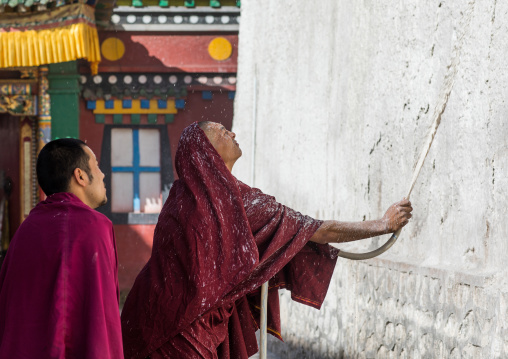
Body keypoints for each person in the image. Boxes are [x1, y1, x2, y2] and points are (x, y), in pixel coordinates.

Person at [121, 122, 412, 359]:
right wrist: (382, 224)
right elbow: (319, 231)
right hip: (181, 329)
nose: (232, 133)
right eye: (223, 132)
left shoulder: (179, 197)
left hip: (143, 316)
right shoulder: (233, 202)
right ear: (207, 151)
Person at [0, 139, 123, 358]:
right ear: (81, 175)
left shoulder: (25, 230)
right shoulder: (97, 228)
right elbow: (104, 316)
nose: (103, 175)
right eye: (96, 165)